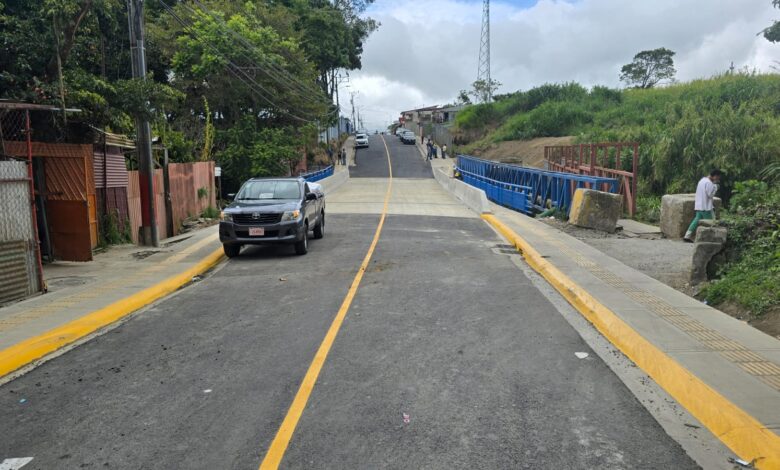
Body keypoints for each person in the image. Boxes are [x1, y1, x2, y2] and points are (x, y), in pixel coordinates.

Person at [684, 169, 722, 242]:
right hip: (706, 207)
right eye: (717, 178)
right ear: (715, 176)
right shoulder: (709, 183)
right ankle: (711, 239)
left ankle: (687, 236)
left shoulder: (702, 180)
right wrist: (716, 187)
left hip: (699, 206)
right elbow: (710, 194)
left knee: (695, 221)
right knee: (712, 223)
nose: (717, 179)